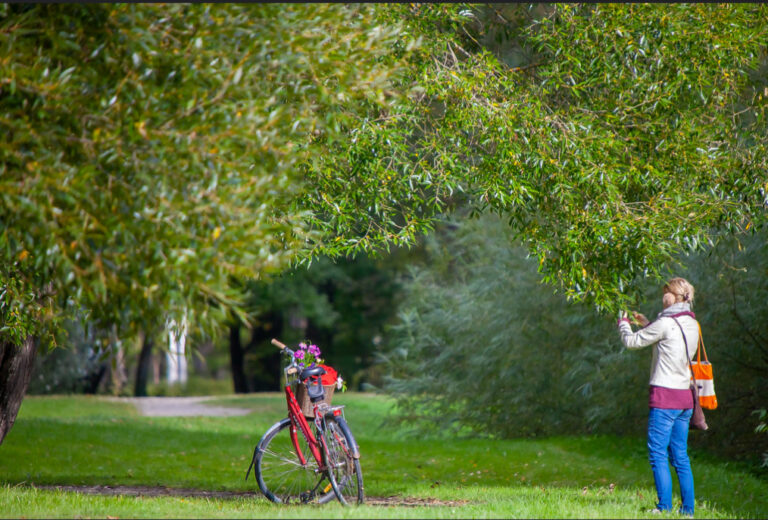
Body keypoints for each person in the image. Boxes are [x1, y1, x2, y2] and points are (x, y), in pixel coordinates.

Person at [617, 277, 698, 516]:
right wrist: (647, 324)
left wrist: (623, 322)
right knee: (680, 456)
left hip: (665, 398)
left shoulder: (665, 324)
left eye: (665, 292)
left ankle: (663, 508)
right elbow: (671, 341)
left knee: (657, 454)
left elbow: (631, 342)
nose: (663, 296)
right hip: (685, 399)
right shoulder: (692, 323)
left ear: (673, 297)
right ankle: (688, 510)